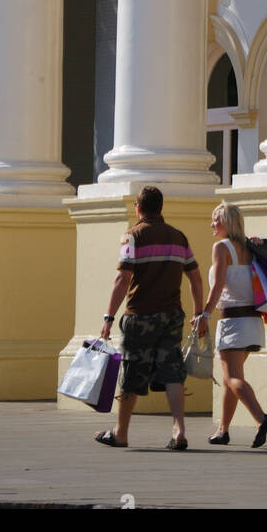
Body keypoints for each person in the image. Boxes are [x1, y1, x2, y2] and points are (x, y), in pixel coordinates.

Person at [95, 184, 203, 451]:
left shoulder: (132, 237)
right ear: (160, 208)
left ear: (139, 208)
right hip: (172, 315)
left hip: (140, 317)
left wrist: (109, 317)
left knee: (132, 371)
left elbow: (123, 278)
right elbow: (196, 278)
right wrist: (200, 313)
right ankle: (179, 430)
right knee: (173, 372)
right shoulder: (179, 237)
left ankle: (120, 433)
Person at [192, 201, 267, 448]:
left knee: (233, 378)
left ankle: (261, 418)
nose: (212, 224)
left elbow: (217, 286)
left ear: (227, 222)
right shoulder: (251, 246)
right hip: (253, 321)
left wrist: (204, 314)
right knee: (231, 377)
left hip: (233, 321)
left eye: (216, 219)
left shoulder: (222, 248)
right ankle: (222, 430)